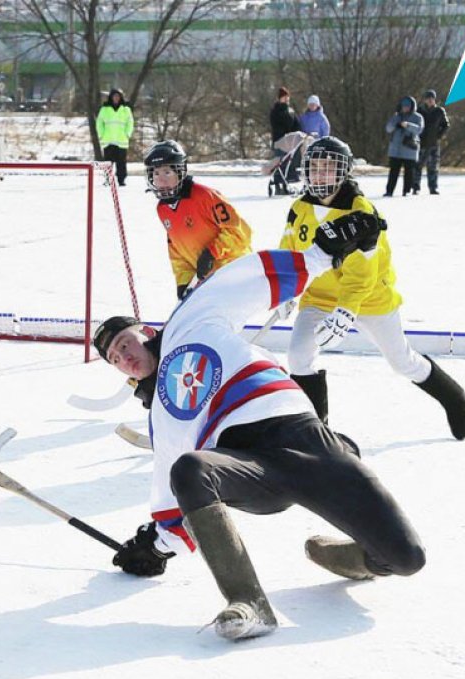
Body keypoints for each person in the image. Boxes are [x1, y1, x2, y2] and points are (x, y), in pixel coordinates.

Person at [93, 210, 427, 641]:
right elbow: (169, 487)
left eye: (124, 343)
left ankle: (351, 555)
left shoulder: (188, 321)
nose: (123, 356)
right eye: (114, 359)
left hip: (306, 438)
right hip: (252, 468)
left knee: (407, 558)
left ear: (148, 330)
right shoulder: (162, 413)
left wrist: (324, 251)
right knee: (189, 469)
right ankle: (248, 602)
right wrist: (155, 547)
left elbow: (245, 281)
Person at [280, 136, 465, 439]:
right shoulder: (299, 208)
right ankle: (319, 437)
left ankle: (453, 396)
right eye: (314, 167)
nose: (320, 174)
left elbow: (361, 278)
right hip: (319, 297)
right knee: (298, 357)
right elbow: (289, 251)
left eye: (328, 167)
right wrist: (285, 290)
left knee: (402, 362)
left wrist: (345, 313)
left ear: (344, 172)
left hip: (369, 298)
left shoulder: (362, 213)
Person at [143, 140, 252, 299]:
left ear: (180, 172)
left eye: (167, 172)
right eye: (156, 173)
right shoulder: (163, 209)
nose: (161, 180)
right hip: (206, 283)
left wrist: (212, 252)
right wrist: (184, 281)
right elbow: (177, 251)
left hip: (234, 274)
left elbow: (240, 232)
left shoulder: (206, 196)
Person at [384, 96, 423, 197]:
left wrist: (408, 125)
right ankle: (389, 191)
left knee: (409, 173)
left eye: (408, 106)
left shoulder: (418, 117)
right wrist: (395, 124)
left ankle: (407, 191)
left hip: (410, 150)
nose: (405, 108)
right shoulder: (396, 116)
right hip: (395, 150)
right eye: (403, 106)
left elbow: (419, 129)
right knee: (393, 172)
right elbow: (388, 129)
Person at [96, 88, 134, 186]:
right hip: (108, 140)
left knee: (121, 163)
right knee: (108, 162)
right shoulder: (104, 109)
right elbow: (99, 123)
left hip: (121, 140)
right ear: (111, 97)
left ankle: (121, 180)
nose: (116, 98)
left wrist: (127, 134)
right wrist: (101, 135)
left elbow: (130, 123)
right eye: (114, 96)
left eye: (118, 96)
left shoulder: (126, 109)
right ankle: (108, 179)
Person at [415, 89, 449, 195]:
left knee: (433, 167)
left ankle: (433, 187)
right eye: (428, 98)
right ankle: (415, 187)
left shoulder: (439, 111)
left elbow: (446, 125)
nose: (430, 101)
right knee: (417, 166)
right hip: (420, 142)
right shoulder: (419, 111)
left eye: (432, 99)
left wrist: (438, 135)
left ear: (434, 100)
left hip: (433, 143)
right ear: (425, 100)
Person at [269, 86, 302, 193]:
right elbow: (278, 124)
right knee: (280, 162)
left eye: (287, 97)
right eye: (284, 97)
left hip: (290, 141)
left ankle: (285, 184)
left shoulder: (290, 110)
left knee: (288, 163)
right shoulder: (276, 110)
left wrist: (297, 132)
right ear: (279, 98)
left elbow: (296, 123)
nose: (286, 99)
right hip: (280, 140)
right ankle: (278, 185)